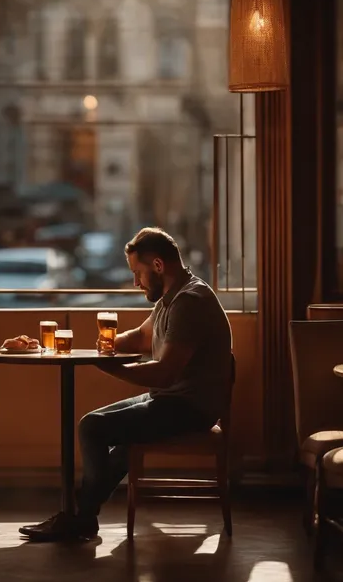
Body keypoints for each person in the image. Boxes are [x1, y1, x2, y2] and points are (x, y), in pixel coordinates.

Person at [20, 227, 233, 542]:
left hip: (190, 408)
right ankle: (81, 515)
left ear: (158, 266)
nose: (136, 282)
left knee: (92, 427)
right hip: (174, 400)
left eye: (138, 273)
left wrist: (109, 366)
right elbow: (144, 336)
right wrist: (109, 344)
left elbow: (164, 374)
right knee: (116, 436)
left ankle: (80, 516)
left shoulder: (190, 301)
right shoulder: (173, 297)